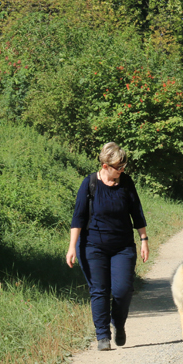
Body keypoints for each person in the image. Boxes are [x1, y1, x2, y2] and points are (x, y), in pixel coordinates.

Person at [66, 142, 149, 351]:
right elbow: (78, 217)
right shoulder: (90, 184)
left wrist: (144, 240)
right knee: (99, 290)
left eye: (123, 167)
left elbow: (137, 213)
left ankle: (118, 324)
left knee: (122, 290)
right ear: (105, 166)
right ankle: (102, 335)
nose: (121, 171)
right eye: (117, 168)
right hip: (92, 246)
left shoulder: (126, 183)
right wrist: (72, 247)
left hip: (122, 247)